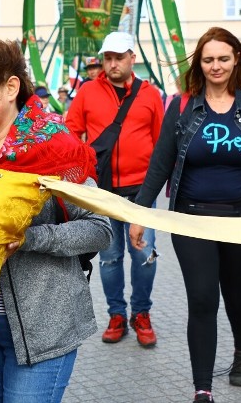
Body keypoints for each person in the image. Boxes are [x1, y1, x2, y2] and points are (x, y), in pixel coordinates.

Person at [0, 35, 112, 403]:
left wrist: (30, 238)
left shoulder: (54, 147)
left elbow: (99, 228)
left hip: (43, 329)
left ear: (11, 87)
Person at [129, 26, 241, 403]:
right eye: (208, 59)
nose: (215, 66)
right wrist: (139, 213)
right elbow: (160, 165)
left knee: (236, 294)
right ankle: (202, 389)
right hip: (190, 219)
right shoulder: (182, 105)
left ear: (237, 60)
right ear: (199, 63)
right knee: (201, 298)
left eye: (223, 58)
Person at [65, 31, 164, 348]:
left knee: (144, 256)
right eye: (108, 58)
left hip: (141, 193)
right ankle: (117, 315)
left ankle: (142, 314)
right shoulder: (87, 92)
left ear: (132, 58)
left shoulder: (150, 94)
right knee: (109, 260)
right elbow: (70, 133)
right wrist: (79, 170)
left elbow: (162, 143)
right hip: (103, 193)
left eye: (119, 57)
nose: (112, 63)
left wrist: (167, 185)